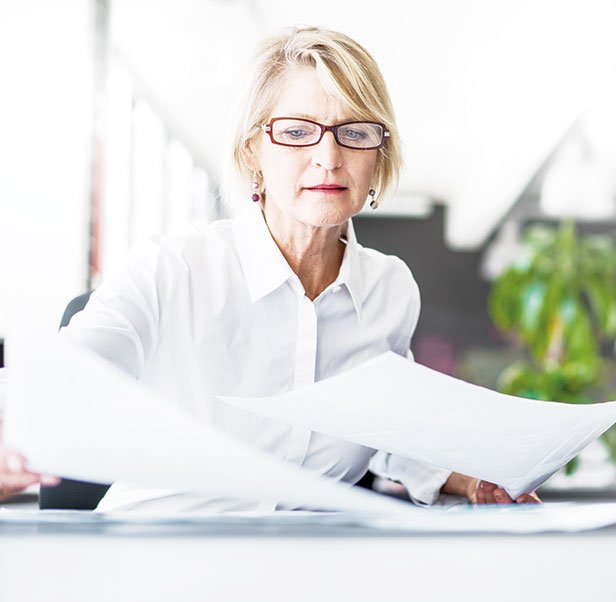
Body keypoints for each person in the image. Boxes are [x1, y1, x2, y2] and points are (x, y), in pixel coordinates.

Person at [1, 26, 538, 511]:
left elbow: (383, 426)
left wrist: (465, 478)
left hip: (309, 562)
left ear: (379, 153)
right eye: (298, 132)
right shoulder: (171, 270)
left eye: (354, 132)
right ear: (252, 151)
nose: (329, 158)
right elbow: (59, 380)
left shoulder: (388, 289)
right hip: (162, 552)